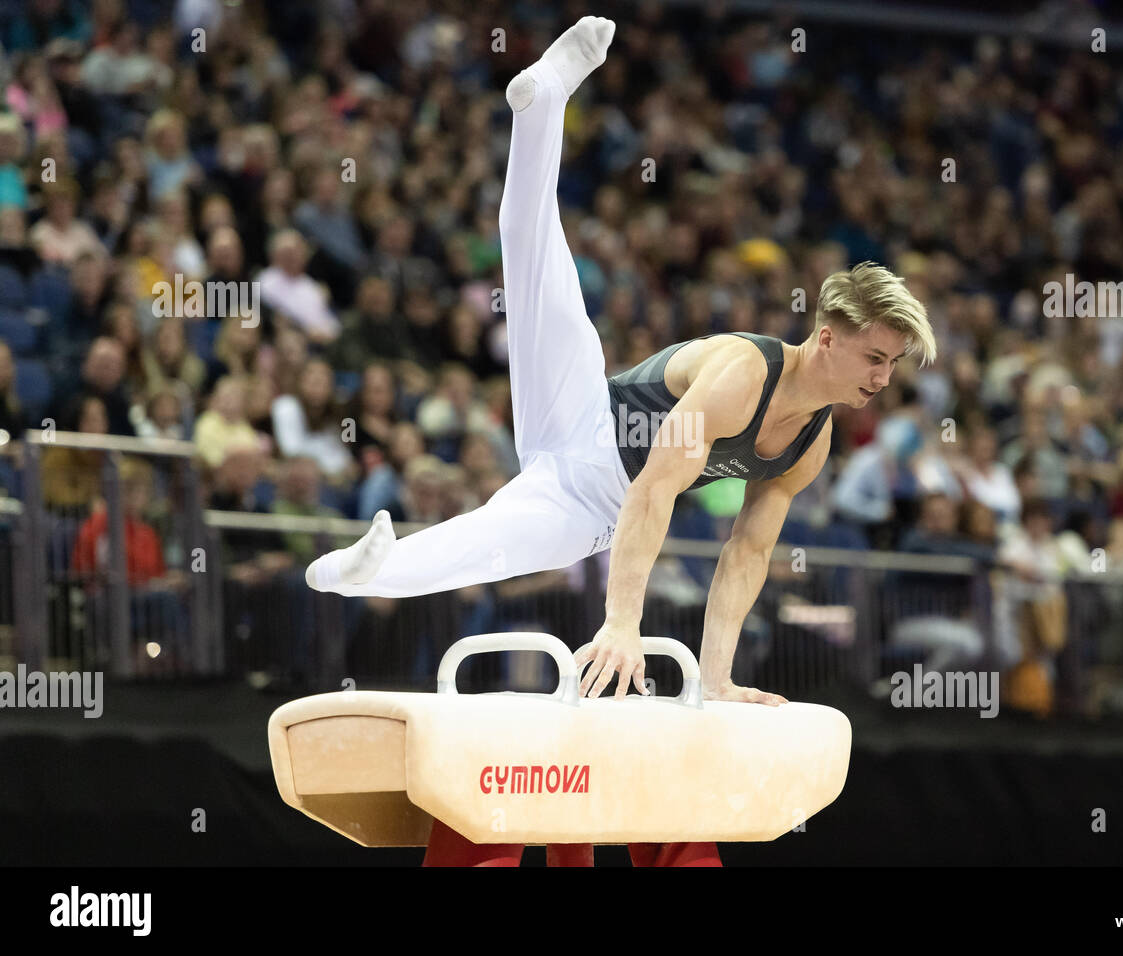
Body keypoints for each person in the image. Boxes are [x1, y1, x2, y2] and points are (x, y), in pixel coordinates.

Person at [304, 17, 936, 867]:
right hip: (588, 424)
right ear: (829, 334)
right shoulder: (742, 373)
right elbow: (655, 491)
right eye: (874, 356)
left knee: (471, 553)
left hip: (581, 505)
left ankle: (357, 571)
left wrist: (714, 679)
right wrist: (621, 624)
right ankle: (544, 101)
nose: (881, 378)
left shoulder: (812, 443)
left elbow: (745, 557)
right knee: (537, 260)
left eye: (893, 366)